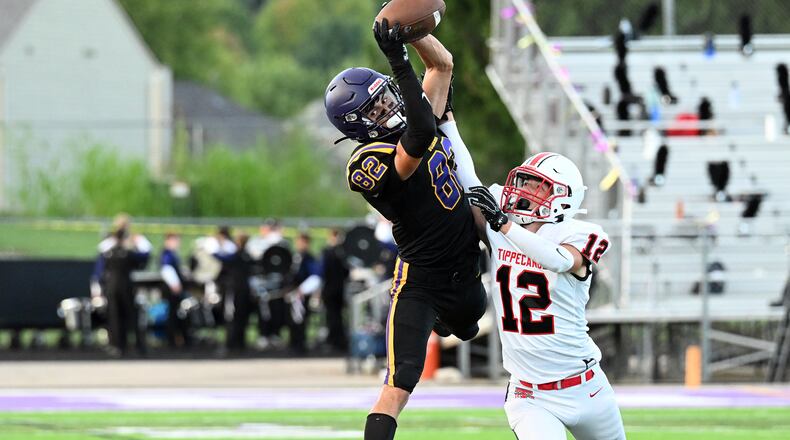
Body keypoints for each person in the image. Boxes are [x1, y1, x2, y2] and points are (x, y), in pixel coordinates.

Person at [324, 21, 486, 440]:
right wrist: (396, 57)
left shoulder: (415, 118)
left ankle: (451, 324)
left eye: (384, 98)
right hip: (422, 282)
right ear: (357, 127)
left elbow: (443, 65)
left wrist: (406, 30)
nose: (387, 107)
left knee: (468, 324)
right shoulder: (366, 162)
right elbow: (418, 135)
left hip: (469, 270)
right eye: (375, 110)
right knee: (398, 387)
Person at [439, 108, 626, 438]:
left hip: (587, 387)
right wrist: (448, 123)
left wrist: (505, 225)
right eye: (523, 181)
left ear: (561, 199)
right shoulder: (503, 223)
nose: (522, 190)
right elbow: (466, 175)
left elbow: (558, 260)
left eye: (536, 186)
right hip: (531, 394)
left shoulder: (580, 233)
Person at [92, 214, 152, 358]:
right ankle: (137, 346)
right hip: (125, 286)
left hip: (112, 287)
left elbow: (100, 271)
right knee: (130, 315)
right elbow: (144, 257)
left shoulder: (109, 252)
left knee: (115, 316)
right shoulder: (128, 252)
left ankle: (118, 346)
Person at [287, 232, 322, 354]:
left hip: (301, 294)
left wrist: (302, 289)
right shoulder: (296, 257)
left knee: (300, 320)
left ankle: (300, 345)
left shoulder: (309, 258)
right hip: (293, 293)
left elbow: (315, 277)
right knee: (293, 320)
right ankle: (293, 343)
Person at [321, 229, 350, 353]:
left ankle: (334, 341)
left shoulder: (328, 252)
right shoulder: (344, 252)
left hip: (330, 289)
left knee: (332, 316)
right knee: (337, 316)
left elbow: (323, 271)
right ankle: (339, 340)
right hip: (340, 289)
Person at [159, 232, 190, 348]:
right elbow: (166, 269)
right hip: (171, 288)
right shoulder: (167, 253)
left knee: (175, 314)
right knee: (172, 314)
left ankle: (175, 339)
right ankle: (171, 340)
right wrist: (175, 284)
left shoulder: (171, 253)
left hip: (173, 287)